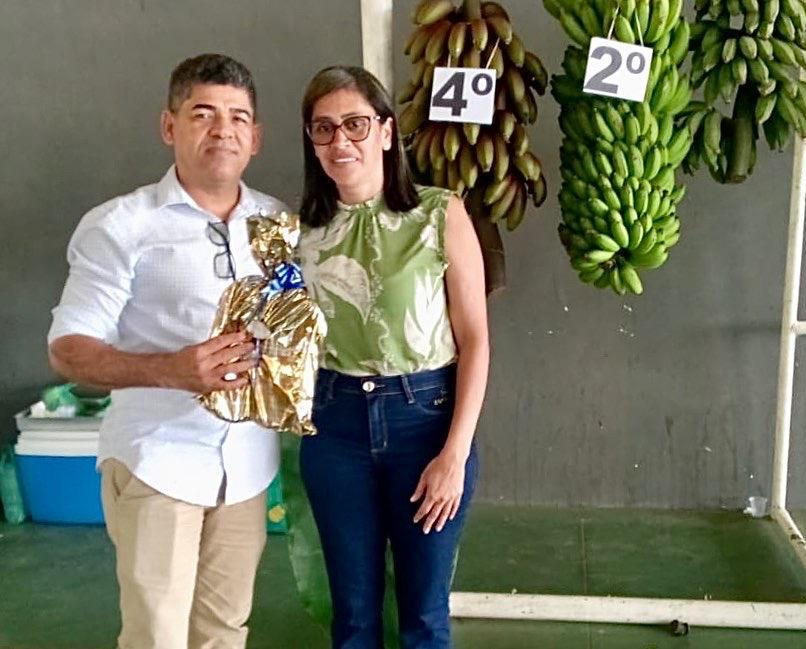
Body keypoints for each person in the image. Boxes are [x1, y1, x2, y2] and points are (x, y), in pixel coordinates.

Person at [47, 53, 284, 649]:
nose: (222, 129)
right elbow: (68, 350)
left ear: (255, 138)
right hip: (158, 463)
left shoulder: (278, 223)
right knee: (157, 636)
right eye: (203, 114)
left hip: (247, 466)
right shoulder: (121, 226)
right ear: (168, 126)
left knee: (225, 630)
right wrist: (171, 370)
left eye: (237, 117)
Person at [297, 65, 489, 649]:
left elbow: (475, 340)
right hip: (334, 426)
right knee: (353, 615)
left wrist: (454, 455)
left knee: (424, 615)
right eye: (324, 128)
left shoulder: (439, 214)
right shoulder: (300, 233)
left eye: (355, 124)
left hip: (424, 421)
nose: (340, 140)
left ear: (385, 131)